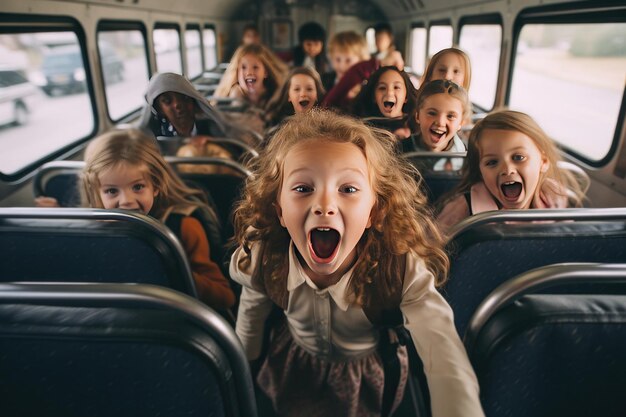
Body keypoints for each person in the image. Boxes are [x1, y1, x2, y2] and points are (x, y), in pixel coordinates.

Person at [229, 109, 484, 417]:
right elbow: (251, 318)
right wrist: (240, 377)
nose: (325, 205)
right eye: (303, 188)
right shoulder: (263, 256)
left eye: (348, 190)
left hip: (369, 374)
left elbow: (442, 352)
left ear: (373, 212)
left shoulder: (400, 267)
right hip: (294, 363)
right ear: (279, 210)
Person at [80, 129, 236, 312]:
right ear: (96, 192)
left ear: (155, 186)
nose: (126, 201)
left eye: (137, 187)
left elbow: (225, 297)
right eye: (112, 191)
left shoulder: (183, 227)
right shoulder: (93, 229)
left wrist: (172, 269)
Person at [436, 110, 586, 234]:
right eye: (492, 162)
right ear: (481, 172)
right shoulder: (462, 209)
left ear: (543, 162)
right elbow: (428, 255)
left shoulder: (554, 198)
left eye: (519, 157)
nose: (507, 170)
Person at [400, 80, 470, 171]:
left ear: (460, 123)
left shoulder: (466, 153)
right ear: (417, 116)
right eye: (432, 113)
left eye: (450, 116)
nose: (440, 122)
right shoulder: (401, 149)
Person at [321, 48, 404, 112]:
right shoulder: (359, 71)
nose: (342, 66)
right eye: (338, 60)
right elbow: (329, 102)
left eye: (348, 60)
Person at [214, 43, 287, 111]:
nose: (249, 73)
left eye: (255, 67)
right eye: (243, 67)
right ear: (236, 72)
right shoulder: (226, 100)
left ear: (265, 72)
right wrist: (236, 101)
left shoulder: (278, 97)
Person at [351, 65, 417, 139]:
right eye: (382, 88)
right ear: (374, 97)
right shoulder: (362, 129)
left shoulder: (418, 125)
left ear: (406, 97)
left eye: (396, 87)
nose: (389, 93)